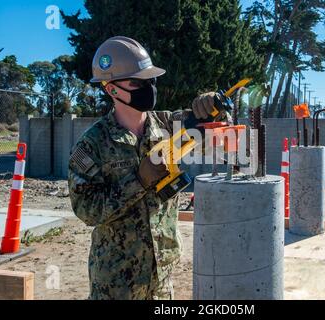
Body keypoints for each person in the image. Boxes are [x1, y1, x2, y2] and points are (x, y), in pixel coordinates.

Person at [68, 36, 229, 300]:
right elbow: (88, 212)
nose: (149, 87)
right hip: (116, 283)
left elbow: (212, 131)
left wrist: (215, 108)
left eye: (150, 79)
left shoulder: (168, 125)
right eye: (137, 82)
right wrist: (138, 180)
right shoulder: (91, 145)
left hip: (162, 279)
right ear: (112, 90)